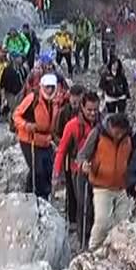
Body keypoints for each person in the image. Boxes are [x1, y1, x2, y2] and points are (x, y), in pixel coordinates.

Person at [78, 111, 136, 248]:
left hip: (121, 187)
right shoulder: (97, 133)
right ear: (110, 126)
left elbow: (132, 159)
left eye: (121, 133)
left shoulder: (128, 137)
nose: (118, 136)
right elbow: (82, 155)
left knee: (122, 223)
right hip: (101, 186)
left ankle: (114, 249)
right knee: (102, 221)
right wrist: (84, 165)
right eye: (116, 132)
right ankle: (93, 248)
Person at [54, 90, 102, 242]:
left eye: (95, 109)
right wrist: (56, 172)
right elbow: (62, 150)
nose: (93, 113)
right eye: (89, 110)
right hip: (78, 169)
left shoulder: (103, 124)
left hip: (98, 169)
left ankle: (94, 235)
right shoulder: (72, 126)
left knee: (96, 204)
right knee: (83, 204)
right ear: (82, 107)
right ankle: (83, 237)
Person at [13, 72, 63, 200]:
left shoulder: (56, 101)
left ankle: (34, 195)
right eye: (47, 87)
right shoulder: (32, 99)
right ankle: (36, 196)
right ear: (42, 86)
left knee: (47, 169)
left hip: (45, 140)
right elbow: (16, 115)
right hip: (29, 139)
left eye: (52, 87)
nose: (49, 90)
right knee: (37, 169)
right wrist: (26, 125)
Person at [99, 45, 130, 116]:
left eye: (116, 64)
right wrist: (102, 94)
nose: (115, 66)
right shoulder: (106, 75)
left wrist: (126, 94)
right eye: (113, 64)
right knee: (111, 115)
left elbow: (125, 85)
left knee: (121, 114)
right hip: (110, 97)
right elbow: (101, 86)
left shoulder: (121, 75)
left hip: (121, 97)